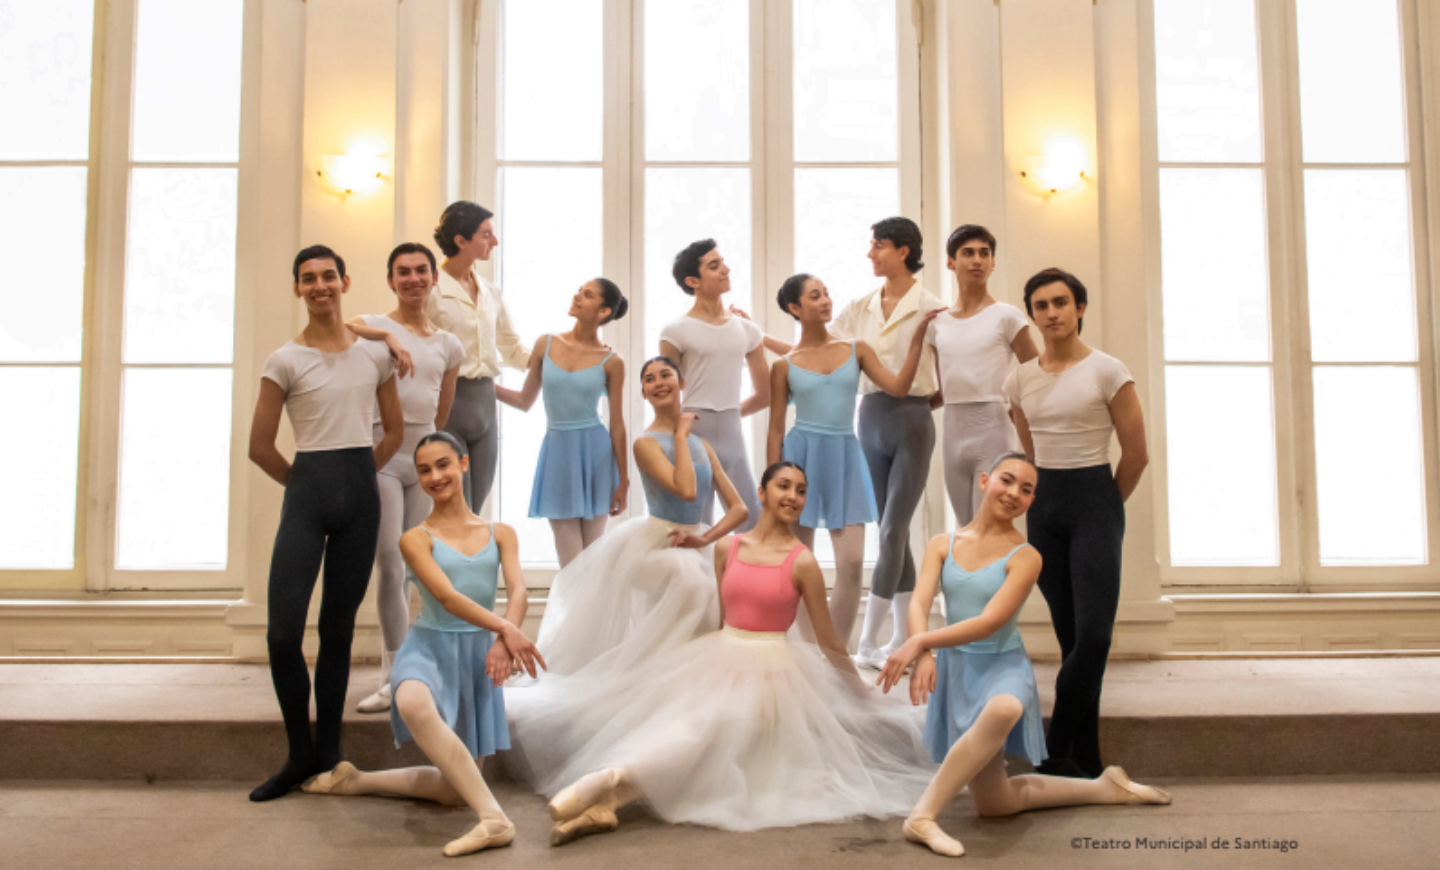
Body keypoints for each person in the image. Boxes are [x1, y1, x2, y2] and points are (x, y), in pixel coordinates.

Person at [514, 462, 932, 845]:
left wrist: (859, 692)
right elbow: (719, 617)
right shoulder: (725, 548)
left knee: (708, 725)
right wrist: (700, 669)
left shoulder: (803, 562)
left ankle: (611, 779)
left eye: (801, 490)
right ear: (762, 493)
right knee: (679, 722)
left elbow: (829, 641)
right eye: (784, 486)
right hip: (720, 655)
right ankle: (606, 798)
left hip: (773, 673)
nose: (793, 496)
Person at [879, 452, 1169, 858]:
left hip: (1002, 665)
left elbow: (990, 622)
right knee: (995, 803)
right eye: (1007, 480)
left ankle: (922, 816)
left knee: (1004, 709)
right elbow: (918, 603)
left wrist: (919, 643)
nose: (1014, 492)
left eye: (1026, 489)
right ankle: (1105, 788)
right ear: (985, 481)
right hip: (958, 668)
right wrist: (923, 652)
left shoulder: (1027, 556)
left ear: (1032, 500)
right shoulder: (942, 544)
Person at [302, 432, 545, 858]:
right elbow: (448, 597)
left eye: (443, 464)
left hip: (478, 656)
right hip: (428, 649)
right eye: (425, 470)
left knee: (454, 791)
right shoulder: (415, 538)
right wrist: (506, 630)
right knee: (413, 703)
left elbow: (519, 590)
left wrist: (503, 640)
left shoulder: (501, 533)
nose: (435, 476)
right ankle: (494, 820)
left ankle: (355, 780)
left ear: (463, 463)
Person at [246, 245, 403, 801]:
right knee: (282, 633)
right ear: (297, 288)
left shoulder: (375, 355)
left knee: (338, 631)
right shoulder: (284, 360)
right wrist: (307, 485)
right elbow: (259, 447)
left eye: (328, 276)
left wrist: (356, 477)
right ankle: (298, 754)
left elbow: (394, 432)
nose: (320, 285)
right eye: (308, 278)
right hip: (308, 495)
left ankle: (331, 752)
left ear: (344, 282)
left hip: (360, 495)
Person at [1004, 268, 1148, 778]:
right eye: (1041, 306)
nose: (1052, 313)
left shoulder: (1109, 371)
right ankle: (1085, 758)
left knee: (1094, 638)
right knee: (1071, 640)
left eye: (1061, 302)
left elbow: (1136, 454)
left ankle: (1054, 748)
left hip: (1095, 504)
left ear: (1080, 308)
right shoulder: (1019, 379)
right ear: (1032, 315)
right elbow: (1029, 454)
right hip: (1044, 510)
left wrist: (1105, 507)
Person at [520, 356, 748, 678]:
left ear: (681, 383)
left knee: (722, 585)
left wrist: (704, 538)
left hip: (695, 539)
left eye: (666, 375)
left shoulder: (702, 445)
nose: (658, 383)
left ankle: (696, 674)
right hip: (657, 542)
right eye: (649, 379)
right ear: (643, 392)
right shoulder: (645, 443)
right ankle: (664, 673)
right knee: (692, 581)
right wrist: (680, 436)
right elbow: (686, 490)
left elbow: (740, 509)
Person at [765, 274, 940, 647]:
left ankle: (836, 656)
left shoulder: (857, 349)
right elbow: (775, 429)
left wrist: (917, 341)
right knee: (798, 563)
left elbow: (898, 387)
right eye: (815, 296)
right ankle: (808, 654)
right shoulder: (784, 365)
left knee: (851, 564)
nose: (826, 300)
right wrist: (772, 486)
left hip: (845, 458)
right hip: (799, 463)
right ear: (795, 308)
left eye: (826, 293)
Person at [343, 243, 466, 714]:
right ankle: (391, 678)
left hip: (424, 463)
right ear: (391, 280)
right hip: (383, 457)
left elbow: (441, 412)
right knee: (391, 563)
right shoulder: (374, 327)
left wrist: (437, 465)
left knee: (417, 566)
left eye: (420, 271)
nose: (413, 278)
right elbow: (343, 327)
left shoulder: (449, 344)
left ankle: (417, 670)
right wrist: (387, 337)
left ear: (434, 278)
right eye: (403, 272)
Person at [495, 279, 629, 568]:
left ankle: (592, 601)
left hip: (596, 455)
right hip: (558, 452)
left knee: (593, 559)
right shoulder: (546, 344)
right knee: (570, 561)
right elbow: (524, 400)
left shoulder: (612, 361)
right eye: (579, 291)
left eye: (587, 295)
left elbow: (617, 423)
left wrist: (624, 481)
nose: (577, 296)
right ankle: (570, 601)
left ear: (603, 311)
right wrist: (484, 385)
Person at [925, 225, 1038, 526]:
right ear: (951, 262)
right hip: (953, 431)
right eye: (968, 253)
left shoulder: (1007, 315)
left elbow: (1036, 375)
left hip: (993, 428)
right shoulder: (937, 323)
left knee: (989, 525)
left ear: (993, 262)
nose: (977, 260)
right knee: (965, 528)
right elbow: (944, 390)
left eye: (984, 253)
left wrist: (1021, 417)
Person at [427, 201, 531, 511]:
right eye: (486, 235)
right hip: (448, 403)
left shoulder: (490, 291)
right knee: (453, 506)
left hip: (485, 404)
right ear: (461, 240)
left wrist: (561, 358)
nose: (494, 241)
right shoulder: (431, 289)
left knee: (475, 509)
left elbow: (512, 348)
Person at [659, 239, 769, 531]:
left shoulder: (748, 330)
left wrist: (727, 416)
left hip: (733, 435)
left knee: (752, 523)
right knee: (693, 525)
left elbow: (765, 394)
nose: (725, 269)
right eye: (714, 265)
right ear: (692, 281)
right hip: (691, 436)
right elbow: (665, 395)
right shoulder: (675, 332)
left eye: (723, 262)